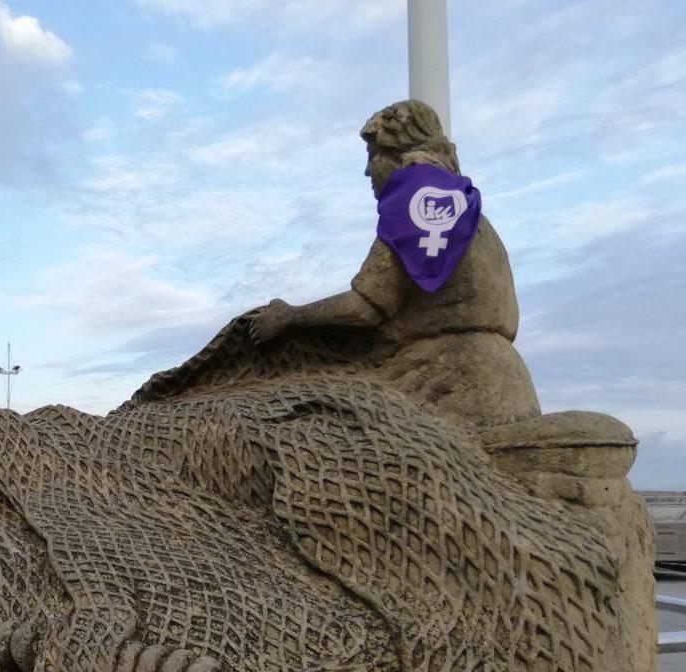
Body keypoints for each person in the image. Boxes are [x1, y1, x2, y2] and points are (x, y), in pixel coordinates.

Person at [133, 100, 541, 430]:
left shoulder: (414, 209)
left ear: (396, 154)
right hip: (502, 378)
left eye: (372, 155)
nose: (367, 169)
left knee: (297, 429)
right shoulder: (469, 212)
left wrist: (291, 317)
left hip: (443, 379)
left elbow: (366, 307)